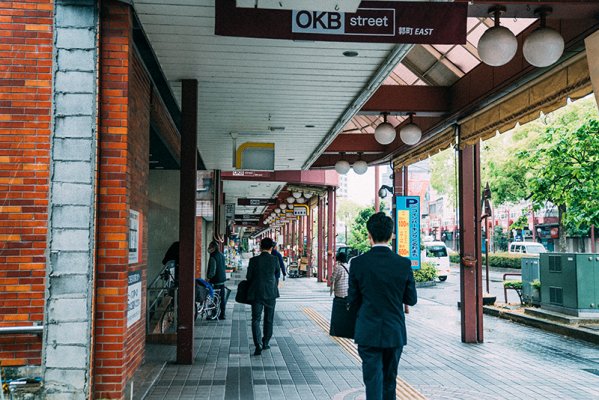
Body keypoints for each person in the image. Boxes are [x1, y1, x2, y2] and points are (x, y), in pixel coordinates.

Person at [347, 212, 418, 400]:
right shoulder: (403, 264)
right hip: (394, 331)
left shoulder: (358, 263)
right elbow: (411, 299)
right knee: (390, 380)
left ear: (369, 235)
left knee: (372, 380)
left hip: (367, 331)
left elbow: (352, 300)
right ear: (391, 235)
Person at [246, 237, 280, 356]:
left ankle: (258, 344)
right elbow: (277, 274)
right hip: (271, 293)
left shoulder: (253, 260)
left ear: (260, 247)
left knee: (256, 319)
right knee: (268, 319)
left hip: (256, 293)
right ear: (271, 247)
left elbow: (248, 277)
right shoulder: (275, 259)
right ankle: (265, 342)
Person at [207, 241, 227, 320]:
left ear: (213, 248)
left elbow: (212, 270)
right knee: (222, 298)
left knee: (214, 298)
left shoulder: (213, 257)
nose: (208, 248)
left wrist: (208, 278)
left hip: (216, 280)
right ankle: (223, 315)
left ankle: (213, 315)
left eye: (210, 247)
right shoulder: (221, 255)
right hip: (222, 280)